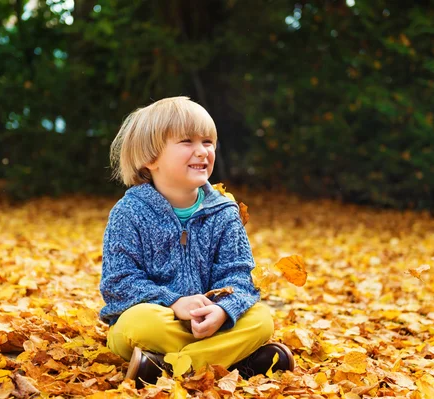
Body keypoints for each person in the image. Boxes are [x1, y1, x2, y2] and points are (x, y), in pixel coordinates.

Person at [99, 96, 293, 388]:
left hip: (211, 325)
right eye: (187, 142)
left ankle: (162, 367)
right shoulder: (129, 213)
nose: (202, 151)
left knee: (262, 320)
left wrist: (223, 310)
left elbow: (240, 276)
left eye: (208, 142)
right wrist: (173, 302)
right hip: (159, 321)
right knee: (134, 323)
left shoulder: (224, 213)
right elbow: (118, 283)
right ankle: (236, 362)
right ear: (150, 157)